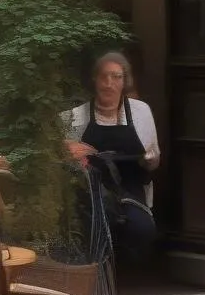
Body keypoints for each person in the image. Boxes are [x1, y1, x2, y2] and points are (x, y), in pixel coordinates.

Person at [64, 52, 160, 261]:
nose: (109, 83)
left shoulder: (141, 112)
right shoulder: (76, 117)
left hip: (131, 193)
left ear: (125, 81)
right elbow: (60, 153)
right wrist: (68, 149)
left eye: (116, 77)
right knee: (95, 231)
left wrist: (150, 158)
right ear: (94, 80)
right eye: (104, 76)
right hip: (92, 194)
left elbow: (154, 159)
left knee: (142, 229)